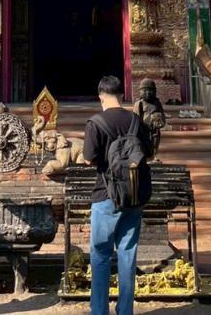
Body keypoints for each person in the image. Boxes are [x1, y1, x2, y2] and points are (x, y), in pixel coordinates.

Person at [83, 75, 153, 315]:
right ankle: (125, 310)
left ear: (101, 97)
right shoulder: (136, 121)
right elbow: (148, 154)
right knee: (127, 254)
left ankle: (99, 310)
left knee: (101, 254)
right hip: (133, 194)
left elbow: (88, 158)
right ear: (122, 95)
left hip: (106, 195)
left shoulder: (96, 123)